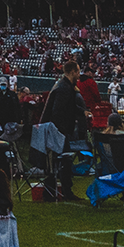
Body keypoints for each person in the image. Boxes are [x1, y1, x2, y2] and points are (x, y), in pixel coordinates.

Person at [42, 60, 85, 201]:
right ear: (72, 72)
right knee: (63, 161)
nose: (79, 75)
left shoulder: (63, 86)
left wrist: (82, 112)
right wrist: (61, 132)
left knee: (61, 162)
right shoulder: (64, 88)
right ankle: (65, 192)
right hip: (57, 131)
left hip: (56, 129)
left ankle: (61, 192)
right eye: (78, 72)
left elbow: (69, 107)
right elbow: (58, 111)